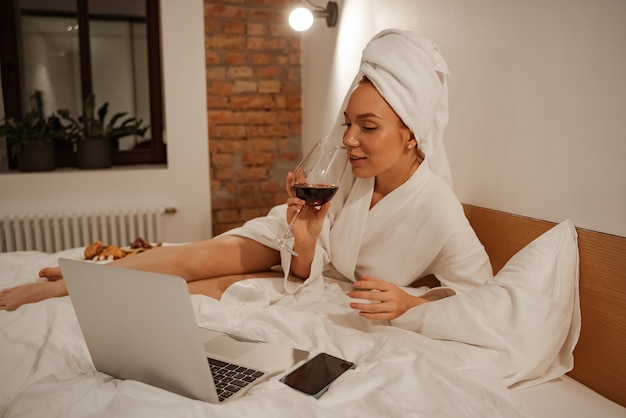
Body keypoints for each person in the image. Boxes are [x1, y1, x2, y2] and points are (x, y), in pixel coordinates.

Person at [0, 29, 493, 325]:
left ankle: (89, 287)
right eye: (347, 124)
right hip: (293, 241)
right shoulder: (350, 171)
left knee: (216, 289)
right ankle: (67, 283)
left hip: (318, 276)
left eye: (368, 127)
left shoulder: (438, 209)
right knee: (193, 258)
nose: (348, 141)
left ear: (412, 134)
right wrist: (302, 231)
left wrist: (412, 302)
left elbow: (480, 295)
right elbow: (306, 253)